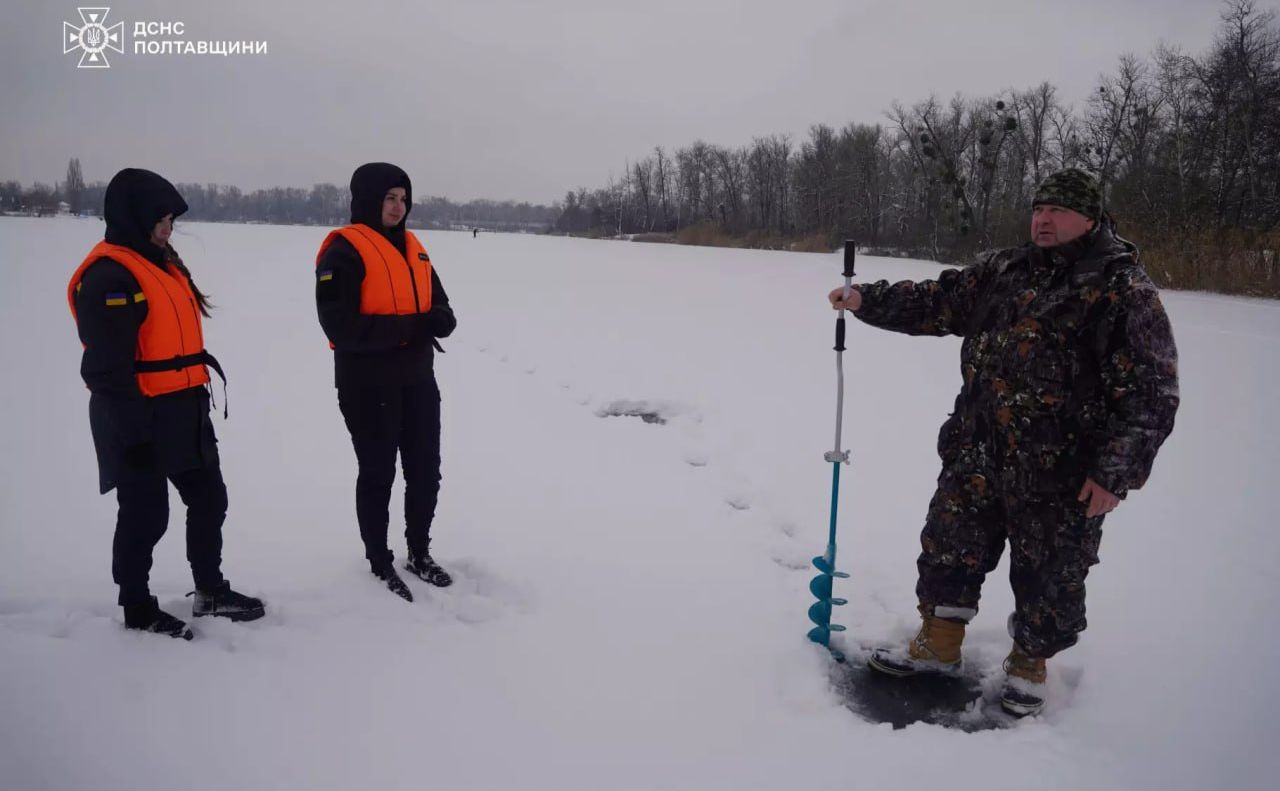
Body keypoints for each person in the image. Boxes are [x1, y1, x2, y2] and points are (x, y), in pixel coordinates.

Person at [828, 168, 1179, 716]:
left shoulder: (1121, 290)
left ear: (1089, 218)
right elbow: (938, 301)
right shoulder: (1005, 270)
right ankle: (937, 646)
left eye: (1057, 211)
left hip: (1061, 470)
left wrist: (1114, 473)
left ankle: (1028, 666)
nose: (1043, 219)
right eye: (1039, 209)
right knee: (949, 546)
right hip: (977, 450)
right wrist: (866, 300)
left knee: (1051, 573)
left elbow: (1151, 395)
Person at [67, 168, 265, 640]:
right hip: (136, 414)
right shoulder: (109, 276)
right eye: (159, 217)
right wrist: (133, 437)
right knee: (145, 514)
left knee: (210, 499)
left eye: (171, 217)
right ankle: (136, 606)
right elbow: (106, 372)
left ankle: (210, 589)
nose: (167, 225)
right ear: (131, 216)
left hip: (184, 408)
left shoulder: (164, 263)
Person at [315, 163, 457, 602]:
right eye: (390, 198)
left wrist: (437, 320)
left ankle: (419, 551)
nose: (398, 207)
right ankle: (379, 559)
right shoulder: (343, 251)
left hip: (417, 380)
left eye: (403, 198)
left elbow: (444, 312)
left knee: (425, 472)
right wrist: (410, 327)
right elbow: (339, 325)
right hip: (367, 385)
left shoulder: (415, 249)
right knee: (378, 473)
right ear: (368, 199)